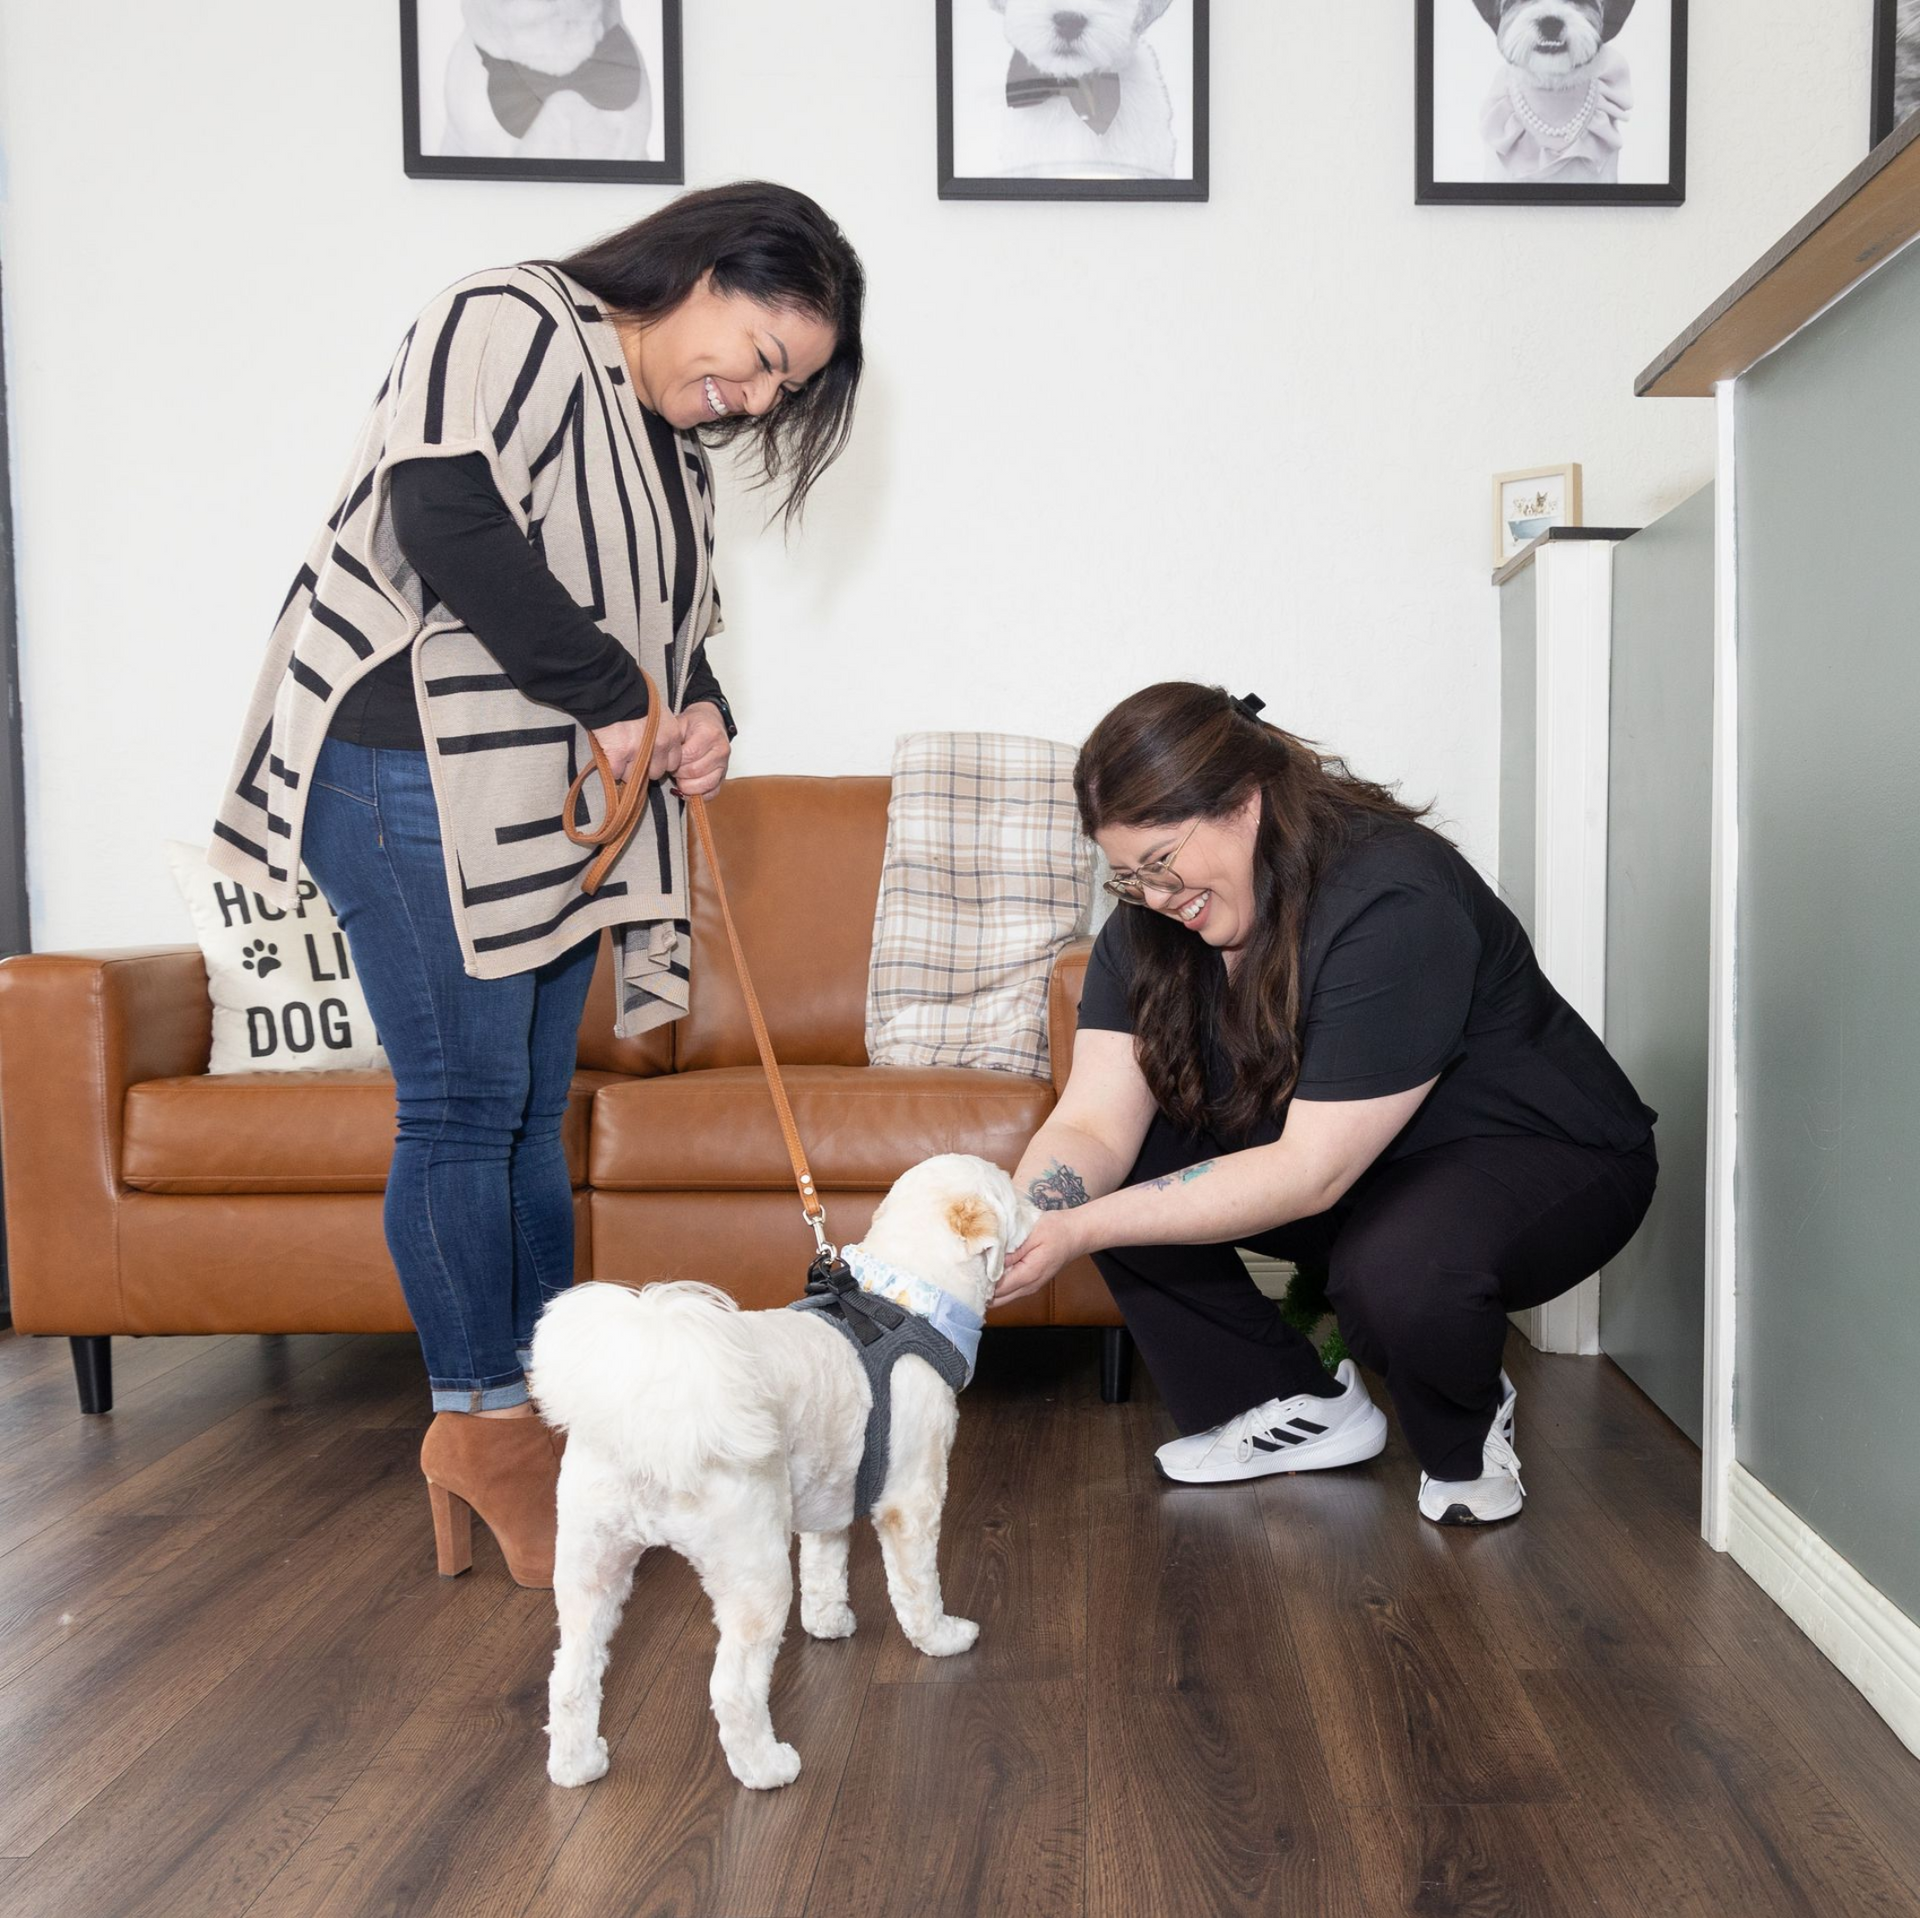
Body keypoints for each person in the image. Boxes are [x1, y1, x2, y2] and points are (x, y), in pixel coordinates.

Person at [209, 183, 865, 1584]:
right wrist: (606, 694)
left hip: (536, 804)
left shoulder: (670, 446)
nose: (751, 400)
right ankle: (485, 1427)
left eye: (781, 388)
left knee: (524, 1115)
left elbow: (667, 633)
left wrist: (699, 714)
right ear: (700, 267)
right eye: (757, 354)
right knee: (459, 1108)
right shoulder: (508, 315)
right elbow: (442, 515)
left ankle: (546, 1418)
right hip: (403, 768)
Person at [1002, 681, 1657, 1526]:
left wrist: (1082, 1230)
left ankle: (1463, 1430)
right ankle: (1287, 1404)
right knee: (1116, 1171)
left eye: (1162, 863)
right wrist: (1017, 1227)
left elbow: (1308, 1173)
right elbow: (1091, 1122)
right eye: (1127, 877)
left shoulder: (1391, 898)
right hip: (1361, 1162)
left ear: (1245, 802)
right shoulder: (1151, 929)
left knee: (1394, 1277)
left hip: (1541, 1156)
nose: (1155, 897)